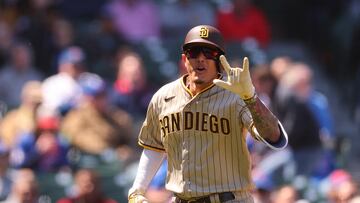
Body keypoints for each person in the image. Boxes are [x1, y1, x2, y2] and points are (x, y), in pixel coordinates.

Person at [128, 25, 288, 203]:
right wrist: (137, 189)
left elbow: (274, 137)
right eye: (194, 52)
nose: (201, 59)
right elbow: (153, 147)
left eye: (209, 52)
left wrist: (250, 97)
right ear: (184, 58)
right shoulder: (163, 96)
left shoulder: (237, 95)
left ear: (220, 60)